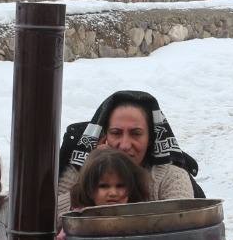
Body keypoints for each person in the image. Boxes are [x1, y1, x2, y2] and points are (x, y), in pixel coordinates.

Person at [55, 90, 201, 215]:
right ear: (104, 134)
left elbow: (179, 227)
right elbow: (47, 219)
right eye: (116, 133)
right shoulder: (80, 167)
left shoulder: (171, 176)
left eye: (136, 134)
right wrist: (89, 175)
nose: (124, 145)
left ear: (151, 138)